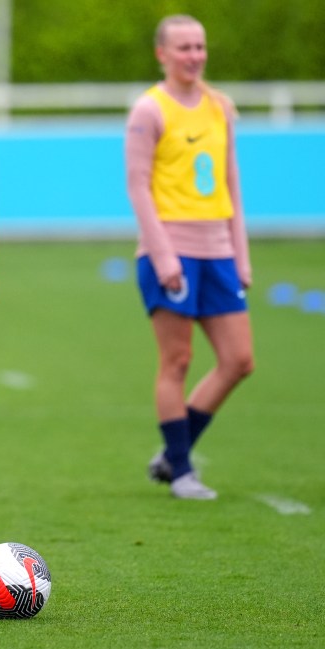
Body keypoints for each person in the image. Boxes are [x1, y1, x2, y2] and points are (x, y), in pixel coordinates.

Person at [125, 15, 254, 500]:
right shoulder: (148, 110)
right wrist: (163, 256)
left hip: (218, 253)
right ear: (162, 53)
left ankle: (171, 454)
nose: (194, 55)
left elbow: (231, 183)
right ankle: (181, 471)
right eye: (183, 47)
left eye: (199, 46)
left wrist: (241, 254)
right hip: (170, 253)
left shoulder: (220, 106)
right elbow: (137, 186)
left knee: (239, 360)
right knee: (176, 360)